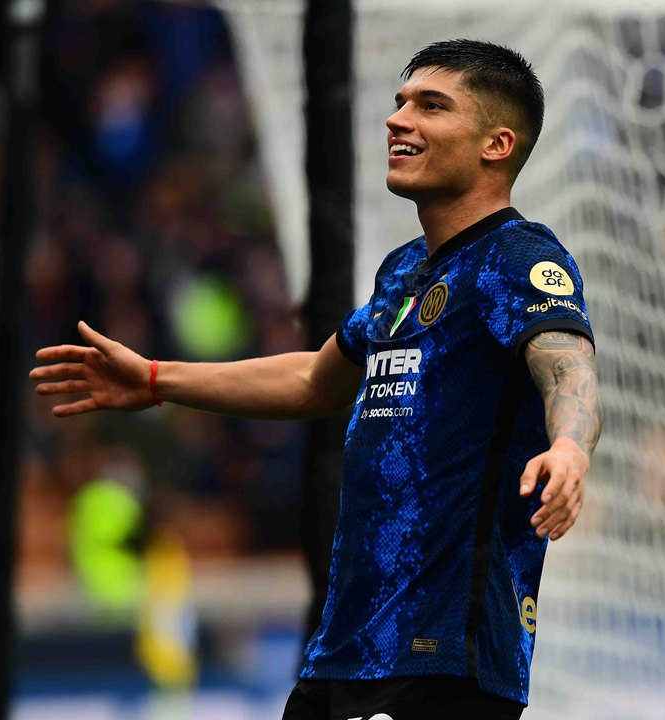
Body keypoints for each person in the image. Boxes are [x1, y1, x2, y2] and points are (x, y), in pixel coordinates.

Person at [30, 39, 602, 719]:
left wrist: (569, 446)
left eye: (431, 106)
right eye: (399, 103)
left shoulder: (518, 256)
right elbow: (314, 380)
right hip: (348, 652)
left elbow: (568, 363)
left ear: (496, 144)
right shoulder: (403, 273)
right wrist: (157, 379)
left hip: (445, 658)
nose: (398, 119)